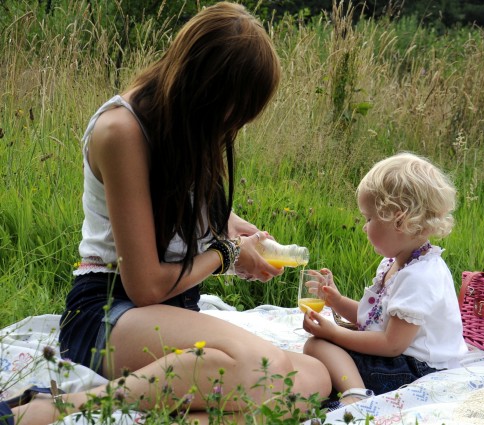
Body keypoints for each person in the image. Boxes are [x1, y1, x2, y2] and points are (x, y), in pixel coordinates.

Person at [0, 3, 330, 424]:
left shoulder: (186, 129)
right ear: (208, 92)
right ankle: (59, 407)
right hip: (110, 311)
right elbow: (146, 287)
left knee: (313, 377)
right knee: (256, 366)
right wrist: (227, 254)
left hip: (170, 312)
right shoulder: (121, 132)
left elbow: (179, 213)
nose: (235, 126)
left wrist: (228, 226)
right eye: (236, 111)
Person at [302, 152, 468, 409]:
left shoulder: (420, 276)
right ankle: (348, 384)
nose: (364, 227)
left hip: (417, 370)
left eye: (369, 218)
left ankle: (355, 395)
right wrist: (336, 301)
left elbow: (391, 344)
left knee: (319, 346)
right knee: (324, 350)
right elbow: (375, 319)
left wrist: (334, 333)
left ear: (399, 221)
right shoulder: (397, 263)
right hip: (402, 359)